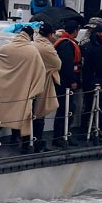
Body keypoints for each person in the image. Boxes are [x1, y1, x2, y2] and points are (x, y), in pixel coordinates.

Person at [0, 28, 47, 148]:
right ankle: (25, 145)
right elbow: (41, 71)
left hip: (6, 91)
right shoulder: (32, 51)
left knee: (0, 117)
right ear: (30, 36)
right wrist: (35, 89)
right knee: (24, 117)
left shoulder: (8, 47)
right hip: (24, 92)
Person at [31, 22, 61, 152]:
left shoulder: (32, 43)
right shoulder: (47, 48)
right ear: (50, 34)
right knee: (39, 113)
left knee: (26, 113)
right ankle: (37, 143)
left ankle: (22, 141)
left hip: (28, 83)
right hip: (40, 84)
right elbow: (57, 64)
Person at [53, 20, 83, 146]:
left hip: (63, 81)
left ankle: (64, 134)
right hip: (65, 83)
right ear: (75, 31)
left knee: (67, 109)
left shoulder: (64, 43)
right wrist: (72, 81)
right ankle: (60, 136)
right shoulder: (66, 44)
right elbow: (67, 65)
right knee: (66, 109)